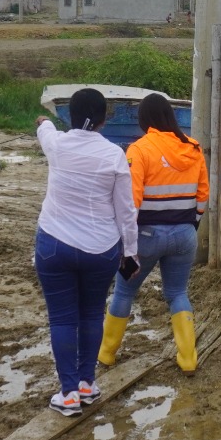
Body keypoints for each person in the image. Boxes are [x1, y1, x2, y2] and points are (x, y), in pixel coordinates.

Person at [34, 88, 139, 416]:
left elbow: (45, 130)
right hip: (101, 249)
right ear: (104, 119)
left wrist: (43, 122)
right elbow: (126, 211)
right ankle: (86, 384)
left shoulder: (58, 144)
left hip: (54, 244)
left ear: (70, 116)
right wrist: (130, 252)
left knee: (62, 318)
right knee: (92, 314)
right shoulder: (114, 155)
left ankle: (68, 394)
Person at [97, 93, 208, 374]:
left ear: (144, 119)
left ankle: (107, 354)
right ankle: (188, 359)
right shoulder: (194, 148)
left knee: (124, 291)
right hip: (184, 234)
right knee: (177, 293)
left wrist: (126, 243)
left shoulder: (139, 150)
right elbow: (203, 197)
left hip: (145, 238)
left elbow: (130, 202)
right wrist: (191, 225)